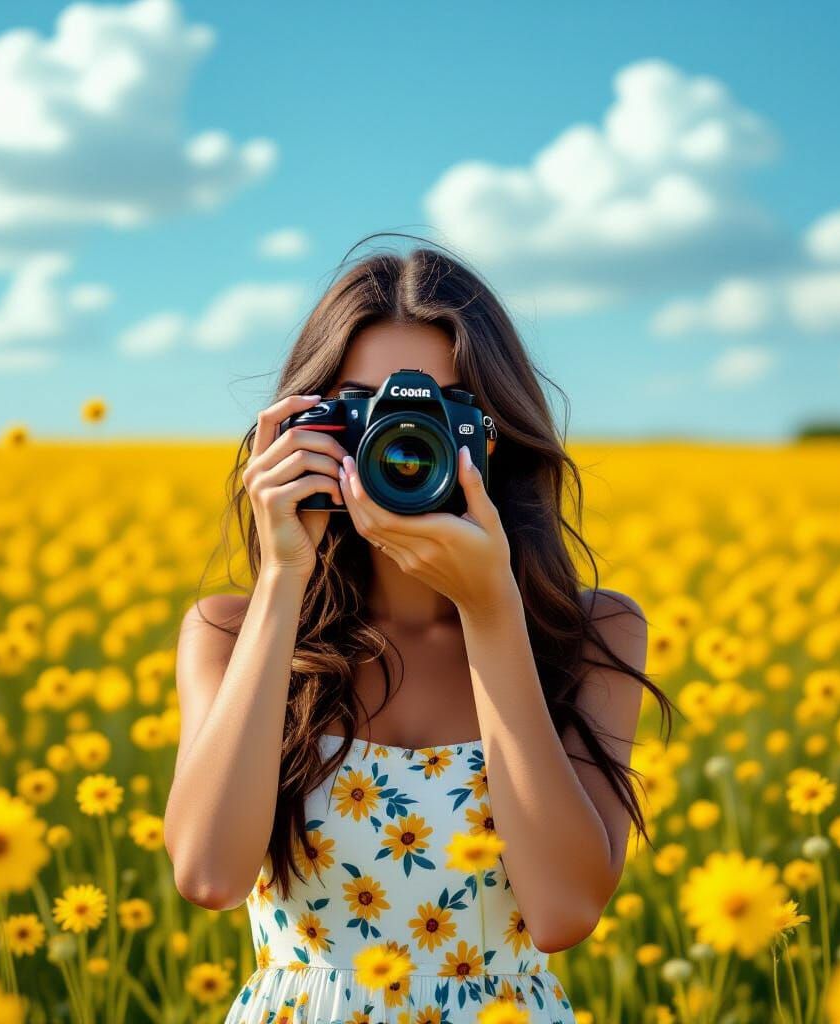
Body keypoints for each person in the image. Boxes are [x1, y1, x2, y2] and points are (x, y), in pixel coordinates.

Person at [164, 238, 672, 1023]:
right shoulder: (229, 631)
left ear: (494, 433)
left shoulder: (591, 633)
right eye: (367, 410)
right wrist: (280, 577)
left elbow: (564, 911)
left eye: (439, 411)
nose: (401, 443)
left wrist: (491, 609)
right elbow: (207, 877)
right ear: (306, 425)